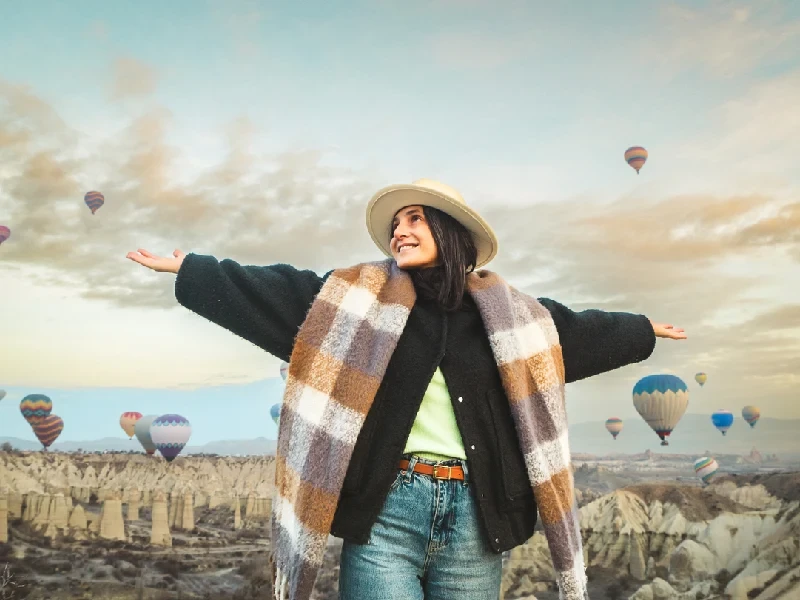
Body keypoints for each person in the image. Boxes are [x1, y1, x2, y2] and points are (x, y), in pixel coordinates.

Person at [127, 178, 686, 600]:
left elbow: (575, 331)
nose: (400, 230)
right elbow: (272, 290)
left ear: (450, 232)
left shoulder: (513, 317)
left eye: (415, 218)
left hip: (476, 517)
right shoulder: (352, 304)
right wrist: (191, 271)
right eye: (396, 223)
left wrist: (641, 331)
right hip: (387, 510)